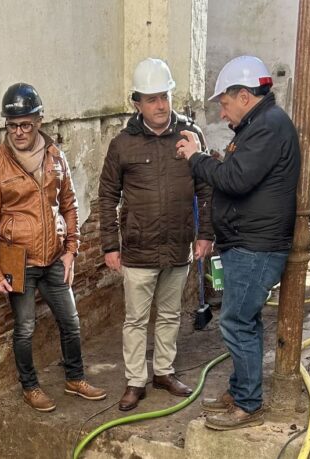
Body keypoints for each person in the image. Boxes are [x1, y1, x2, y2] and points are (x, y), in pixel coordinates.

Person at [175, 55, 300, 430]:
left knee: (234, 322)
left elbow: (235, 179)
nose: (223, 112)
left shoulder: (267, 127)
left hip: (256, 245)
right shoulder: (259, 127)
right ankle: (240, 388)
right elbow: (238, 173)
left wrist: (196, 158)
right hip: (247, 242)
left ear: (244, 96)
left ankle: (248, 403)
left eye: (225, 103)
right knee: (245, 321)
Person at [0, 83, 106, 412]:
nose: (18, 132)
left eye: (26, 124)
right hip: (19, 261)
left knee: (71, 321)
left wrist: (71, 249)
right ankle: (30, 386)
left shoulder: (55, 156)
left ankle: (75, 379)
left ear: (39, 122)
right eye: (12, 125)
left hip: (54, 257)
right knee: (25, 328)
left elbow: (70, 205)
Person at [98, 58, 213, 412]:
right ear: (138, 103)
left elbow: (207, 188)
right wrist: (109, 244)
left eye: (164, 96)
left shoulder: (189, 135)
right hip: (138, 248)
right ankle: (135, 380)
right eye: (152, 99)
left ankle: (163, 371)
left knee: (170, 314)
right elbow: (107, 195)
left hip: (178, 245)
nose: (161, 105)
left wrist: (205, 232)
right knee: (135, 319)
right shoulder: (123, 144)